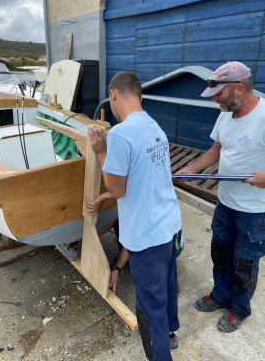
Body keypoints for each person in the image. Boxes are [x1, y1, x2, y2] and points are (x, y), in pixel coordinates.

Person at [88, 72, 182, 361]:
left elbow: (116, 188)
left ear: (113, 94)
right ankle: (171, 332)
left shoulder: (120, 133)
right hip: (169, 225)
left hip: (147, 237)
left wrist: (101, 151)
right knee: (167, 286)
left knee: (149, 310)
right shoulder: (154, 126)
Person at [177, 61, 265, 333]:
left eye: (219, 94)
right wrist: (189, 169)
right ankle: (220, 295)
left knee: (244, 260)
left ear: (239, 88)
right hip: (225, 203)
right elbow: (215, 151)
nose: (215, 100)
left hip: (254, 210)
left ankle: (239, 308)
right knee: (220, 252)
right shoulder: (226, 113)